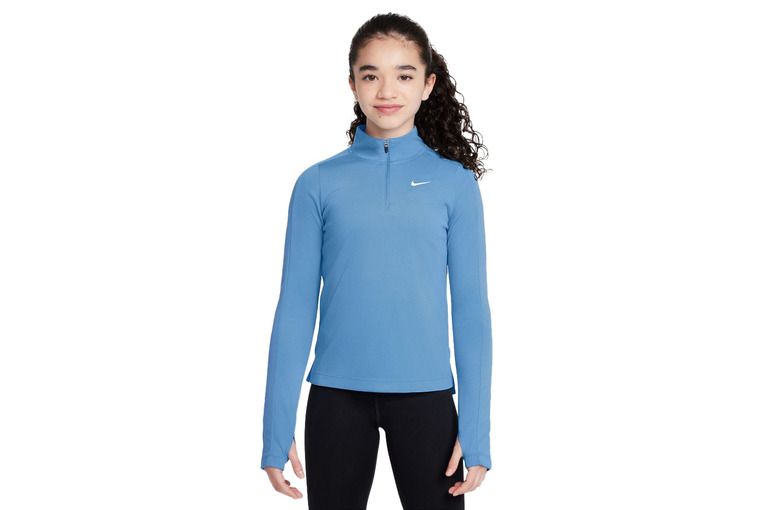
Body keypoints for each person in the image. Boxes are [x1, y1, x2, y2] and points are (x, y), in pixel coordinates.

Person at [261, 12, 493, 509]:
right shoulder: (317, 184)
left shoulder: (454, 184)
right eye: (371, 75)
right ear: (353, 84)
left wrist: (476, 429)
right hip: (335, 398)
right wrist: (275, 428)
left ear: (428, 84)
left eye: (404, 75)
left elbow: (471, 310)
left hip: (428, 398)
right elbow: (295, 307)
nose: (387, 90)